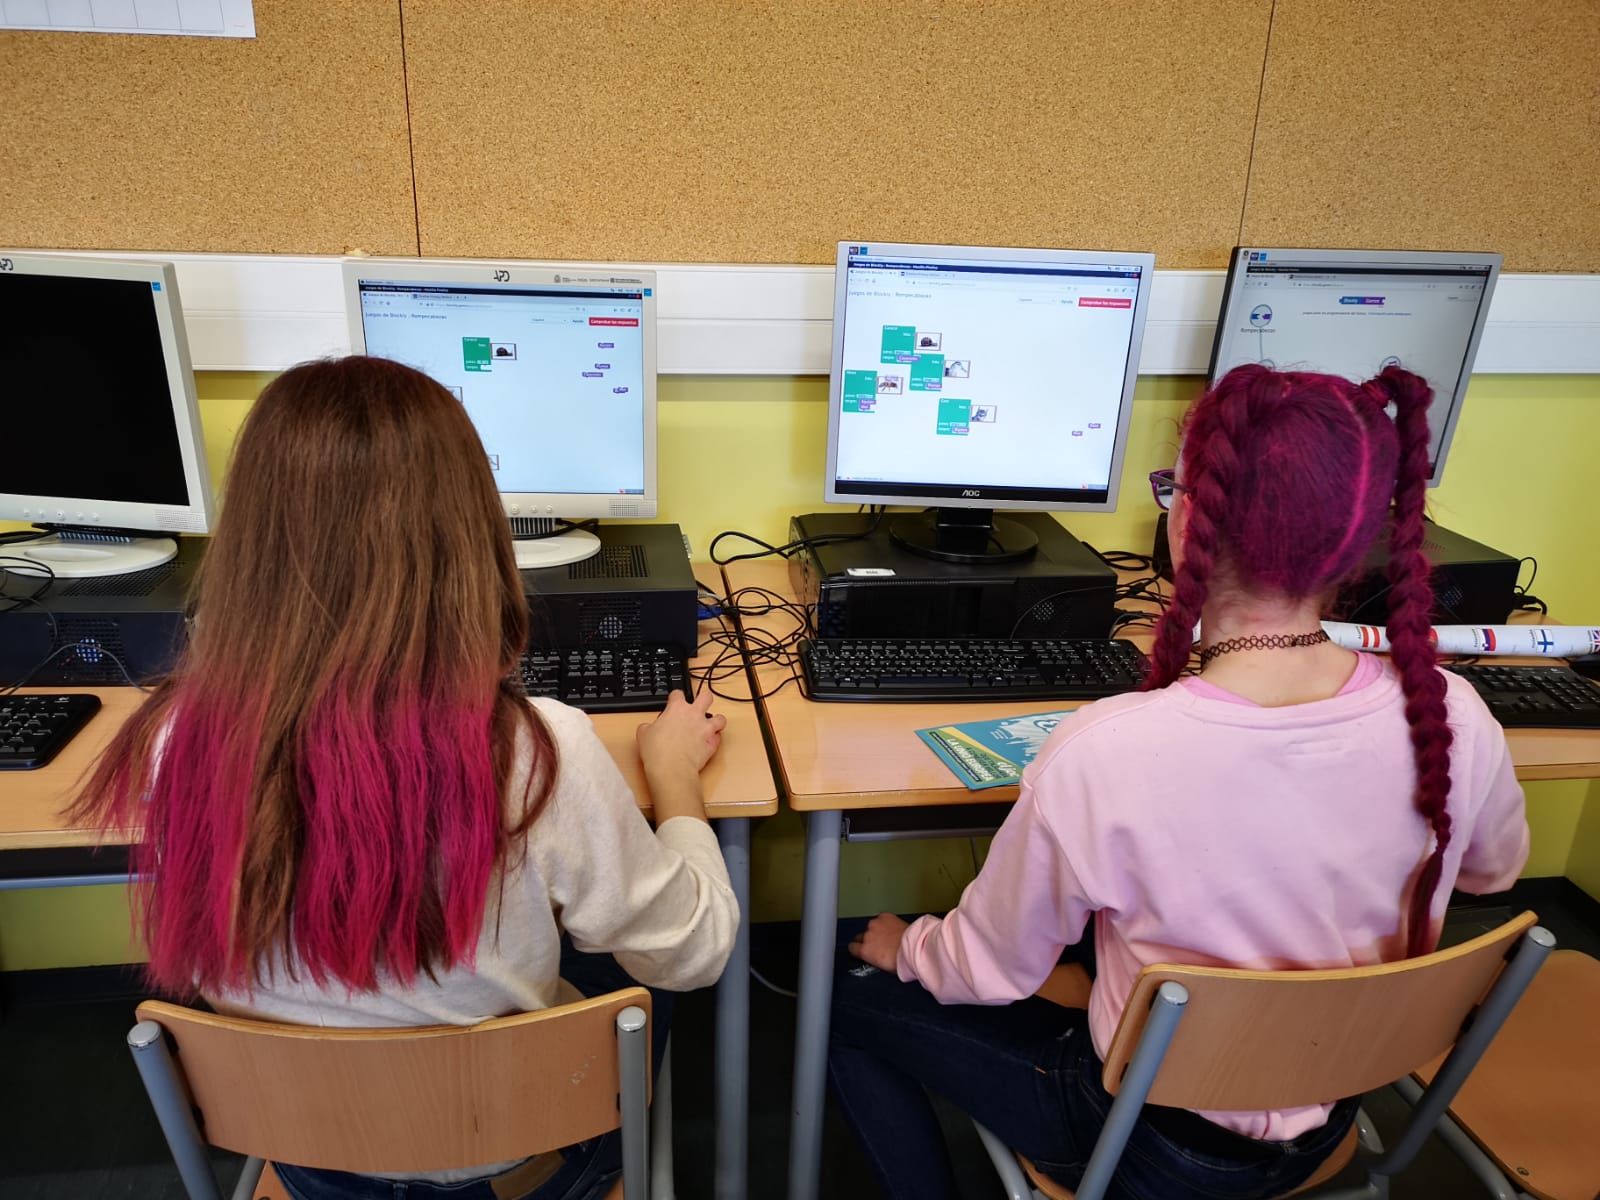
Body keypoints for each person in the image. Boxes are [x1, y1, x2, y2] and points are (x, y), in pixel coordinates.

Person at [828, 363, 1530, 1200]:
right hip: (1337, 1107)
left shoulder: (1103, 753)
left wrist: (905, 947)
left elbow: (988, 970)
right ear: (1360, 538)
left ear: (1188, 517)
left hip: (1148, 1141)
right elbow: (1493, 871)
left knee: (846, 997)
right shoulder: (1452, 713)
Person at [69, 356, 739, 1200]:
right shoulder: (538, 753)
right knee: (635, 965)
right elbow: (695, 953)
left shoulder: (175, 742)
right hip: (515, 1168)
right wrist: (675, 783)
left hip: (309, 1164)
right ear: (469, 534)